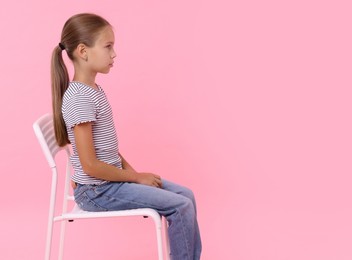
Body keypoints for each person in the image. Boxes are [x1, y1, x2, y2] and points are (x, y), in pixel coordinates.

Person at [51, 13, 201, 260]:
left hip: (108, 182)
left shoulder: (93, 90)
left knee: (187, 196)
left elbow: (106, 149)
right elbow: (89, 165)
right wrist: (135, 177)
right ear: (83, 51)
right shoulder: (79, 97)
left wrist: (134, 176)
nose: (114, 54)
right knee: (180, 205)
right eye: (108, 46)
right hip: (96, 190)